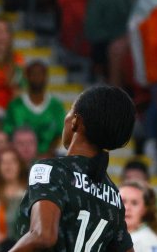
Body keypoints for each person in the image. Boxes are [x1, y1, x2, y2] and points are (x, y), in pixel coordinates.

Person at [9, 85, 136, 252]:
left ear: (76, 121)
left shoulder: (51, 170)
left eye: (70, 110)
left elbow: (43, 235)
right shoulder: (113, 194)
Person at [84, 0, 134, 86]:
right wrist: (117, 38)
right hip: (105, 45)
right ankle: (114, 91)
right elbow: (92, 30)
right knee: (116, 49)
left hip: (132, 42)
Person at [4, 62, 66, 156]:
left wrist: (48, 154)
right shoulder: (15, 105)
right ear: (27, 77)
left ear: (46, 78)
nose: (37, 77)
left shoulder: (56, 106)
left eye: (41, 74)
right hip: (19, 157)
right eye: (33, 74)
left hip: (49, 157)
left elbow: (59, 133)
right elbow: (8, 133)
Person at [120, 181, 157, 252]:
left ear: (145, 209)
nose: (127, 207)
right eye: (123, 201)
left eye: (134, 203)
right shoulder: (109, 234)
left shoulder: (149, 241)